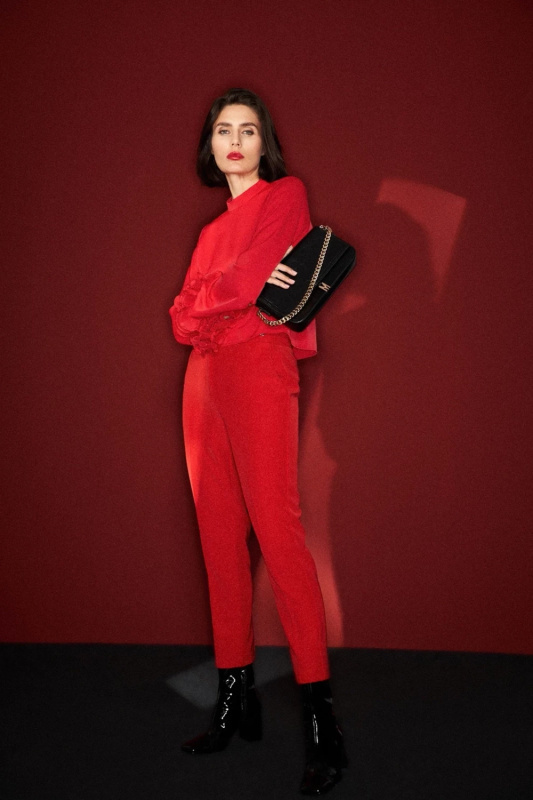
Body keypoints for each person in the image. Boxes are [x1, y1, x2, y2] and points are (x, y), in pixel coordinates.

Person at [169, 88, 347, 795]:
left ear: (262, 141)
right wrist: (220, 295)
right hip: (202, 381)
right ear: (210, 145)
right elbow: (179, 318)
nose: (235, 141)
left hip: (257, 370)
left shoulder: (284, 195)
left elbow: (236, 287)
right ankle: (233, 700)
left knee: (278, 531)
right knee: (218, 541)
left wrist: (211, 296)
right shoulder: (210, 230)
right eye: (223, 130)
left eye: (247, 130)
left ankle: (321, 723)